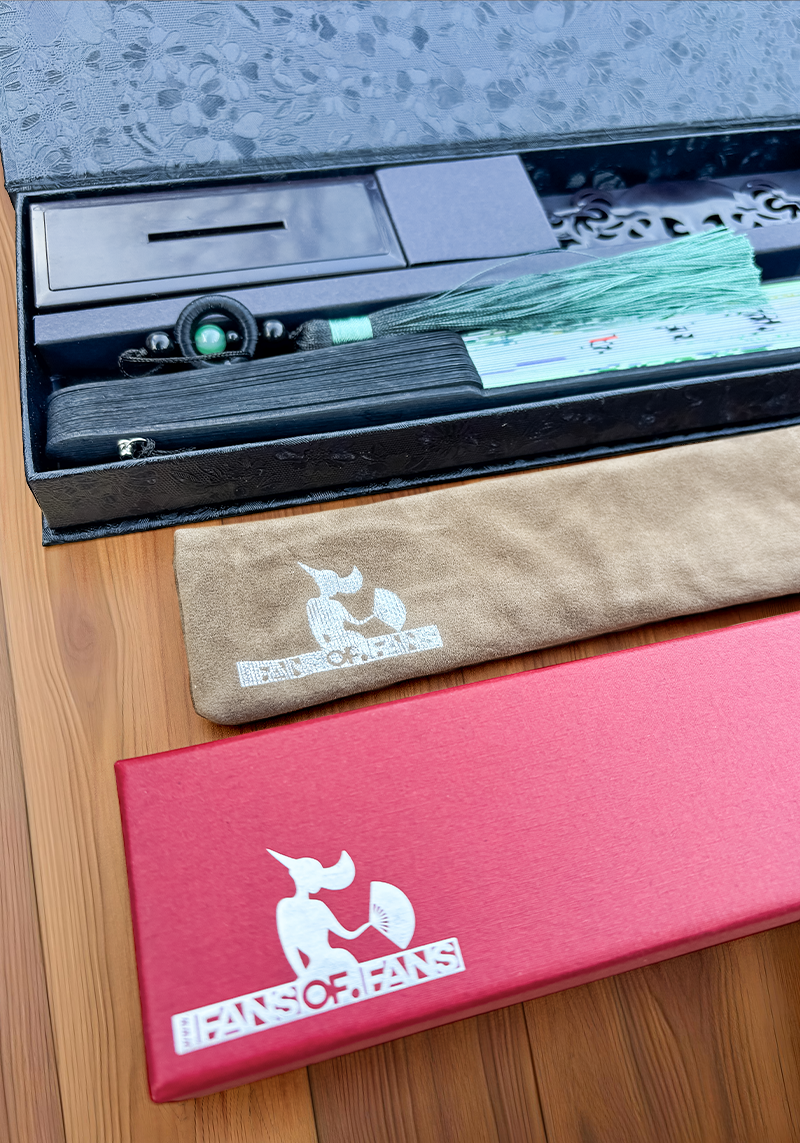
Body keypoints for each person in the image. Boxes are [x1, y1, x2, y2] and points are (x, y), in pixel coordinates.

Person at [267, 848, 370, 981]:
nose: (319, 882)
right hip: (320, 967)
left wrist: (369, 924)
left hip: (337, 959)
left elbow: (347, 934)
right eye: (315, 877)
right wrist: (303, 976)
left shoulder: (318, 906)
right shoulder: (287, 907)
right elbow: (290, 946)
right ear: (303, 878)